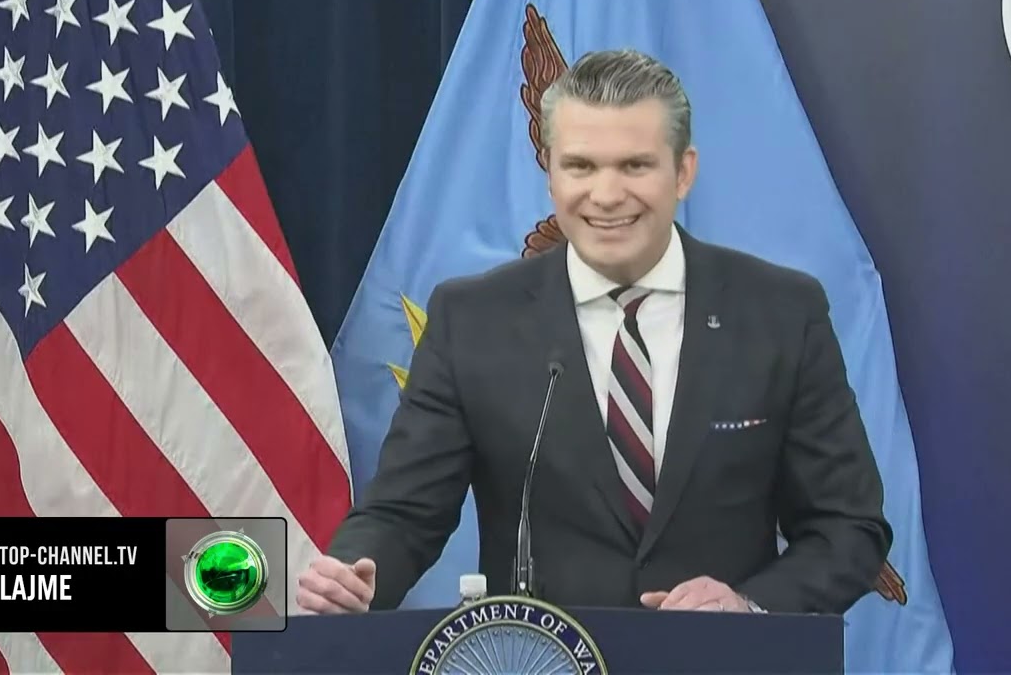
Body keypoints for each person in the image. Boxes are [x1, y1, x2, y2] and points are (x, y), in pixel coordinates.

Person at [297, 49, 891, 616]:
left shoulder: (780, 313)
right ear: (550, 172)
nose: (606, 195)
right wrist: (358, 572)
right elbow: (404, 513)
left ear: (683, 172)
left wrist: (750, 606)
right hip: (540, 661)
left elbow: (848, 527)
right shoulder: (470, 320)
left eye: (635, 165)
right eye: (580, 166)